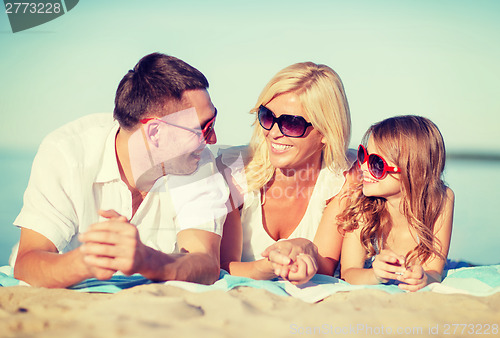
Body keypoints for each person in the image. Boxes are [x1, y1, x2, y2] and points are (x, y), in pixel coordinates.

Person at [12, 53, 228, 288]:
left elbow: (206, 263)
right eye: (204, 128)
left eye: (213, 122)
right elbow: (27, 263)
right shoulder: (67, 152)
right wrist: (85, 261)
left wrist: (147, 260)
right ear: (155, 133)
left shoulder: (197, 160)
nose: (213, 139)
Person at [218, 62, 354, 284]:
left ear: (327, 133)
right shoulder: (232, 171)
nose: (273, 132)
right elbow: (222, 267)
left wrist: (304, 248)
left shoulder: (343, 178)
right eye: (267, 116)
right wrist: (270, 266)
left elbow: (325, 267)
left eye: (291, 123)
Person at [338, 115, 454, 291]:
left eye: (376, 164)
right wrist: (374, 275)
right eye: (364, 155)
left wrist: (424, 278)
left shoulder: (441, 200)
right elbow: (347, 272)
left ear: (413, 171)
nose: (362, 167)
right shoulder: (363, 205)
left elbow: (434, 272)